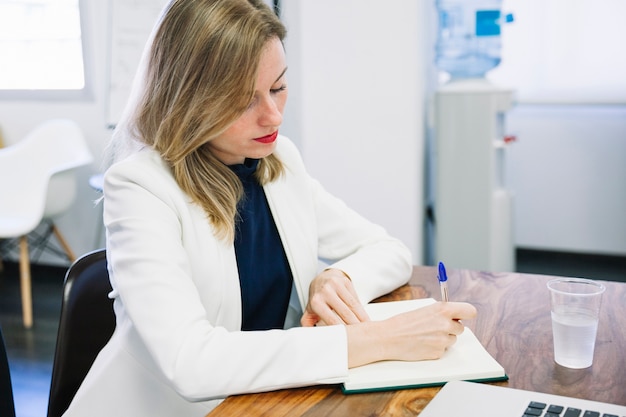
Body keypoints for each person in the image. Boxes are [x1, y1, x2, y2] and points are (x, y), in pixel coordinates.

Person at [63, 0, 476, 416]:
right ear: (188, 99)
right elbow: (191, 361)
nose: (273, 116)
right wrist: (380, 339)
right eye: (243, 101)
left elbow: (390, 250)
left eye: (278, 88)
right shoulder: (140, 186)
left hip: (269, 401)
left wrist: (336, 277)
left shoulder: (278, 161)